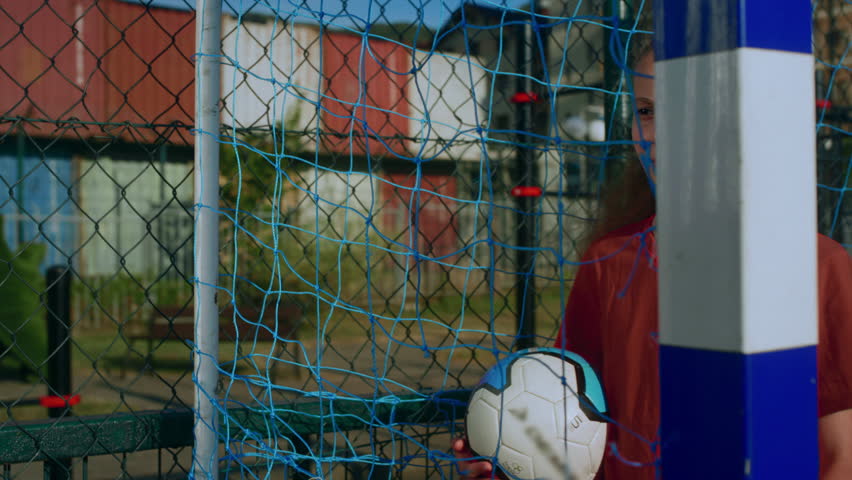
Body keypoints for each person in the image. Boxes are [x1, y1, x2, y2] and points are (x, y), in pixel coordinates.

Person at [452, 29, 852, 480]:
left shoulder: (821, 270)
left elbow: (842, 457)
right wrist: (516, 456)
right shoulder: (609, 263)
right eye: (646, 111)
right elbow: (576, 434)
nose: (658, 133)